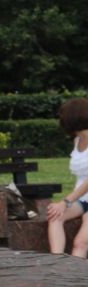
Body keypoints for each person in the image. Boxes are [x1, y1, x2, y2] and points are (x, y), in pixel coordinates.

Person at [45, 97, 88, 256]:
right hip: (82, 199)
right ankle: (57, 261)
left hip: (80, 197)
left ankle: (71, 279)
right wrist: (63, 205)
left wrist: (65, 201)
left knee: (80, 243)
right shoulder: (77, 140)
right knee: (55, 216)